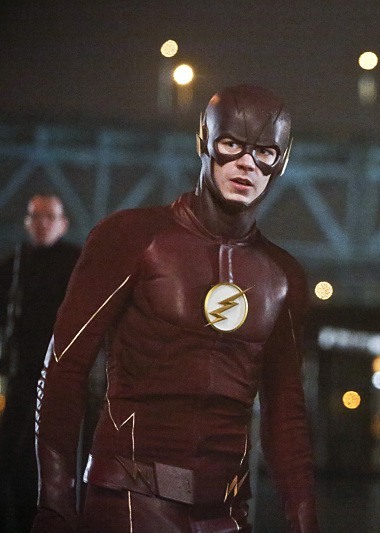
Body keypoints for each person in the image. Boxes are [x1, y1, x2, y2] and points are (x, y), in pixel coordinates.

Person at [33, 84, 318, 532]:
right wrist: (53, 505)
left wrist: (305, 521)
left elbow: (285, 412)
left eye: (265, 151)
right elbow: (64, 369)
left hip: (227, 510)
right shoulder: (132, 238)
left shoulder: (283, 277)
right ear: (205, 141)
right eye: (232, 144)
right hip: (131, 502)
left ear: (281, 161)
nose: (247, 163)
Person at [0, 194, 81, 532]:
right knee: (12, 455)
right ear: (27, 222)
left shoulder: (77, 263)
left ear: (63, 223)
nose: (43, 223)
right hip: (21, 377)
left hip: (62, 377)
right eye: (36, 216)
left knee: (53, 457)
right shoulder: (16, 264)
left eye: (50, 216)